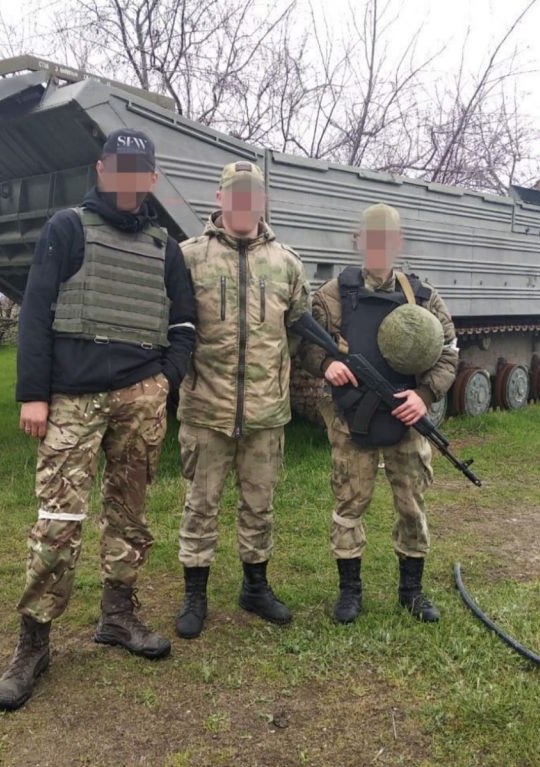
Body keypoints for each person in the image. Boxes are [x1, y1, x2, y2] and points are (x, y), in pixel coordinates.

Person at [0, 129, 197, 711]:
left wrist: (165, 380)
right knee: (58, 521)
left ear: (151, 179)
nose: (129, 178)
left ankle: (117, 617)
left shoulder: (165, 247)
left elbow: (184, 324)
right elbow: (36, 312)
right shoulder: (66, 228)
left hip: (141, 398)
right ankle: (33, 644)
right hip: (72, 401)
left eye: (140, 170)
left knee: (130, 515)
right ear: (103, 170)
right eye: (119, 167)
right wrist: (33, 395)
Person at [300, 203, 458, 625]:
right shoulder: (333, 295)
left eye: (386, 241)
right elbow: (307, 343)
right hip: (351, 417)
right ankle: (350, 591)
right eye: (371, 240)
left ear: (398, 243)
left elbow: (449, 351)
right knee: (350, 502)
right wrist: (325, 364)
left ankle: (412, 591)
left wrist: (424, 395)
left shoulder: (423, 296)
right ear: (358, 242)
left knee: (411, 503)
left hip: (405, 418)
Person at [173, 160, 311, 639]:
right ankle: (195, 594)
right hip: (205, 410)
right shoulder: (189, 257)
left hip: (265, 412)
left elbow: (299, 329)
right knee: (200, 505)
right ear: (220, 198)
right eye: (235, 194)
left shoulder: (286, 263)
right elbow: (172, 326)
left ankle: (255, 587)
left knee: (259, 505)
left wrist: (273, 373)